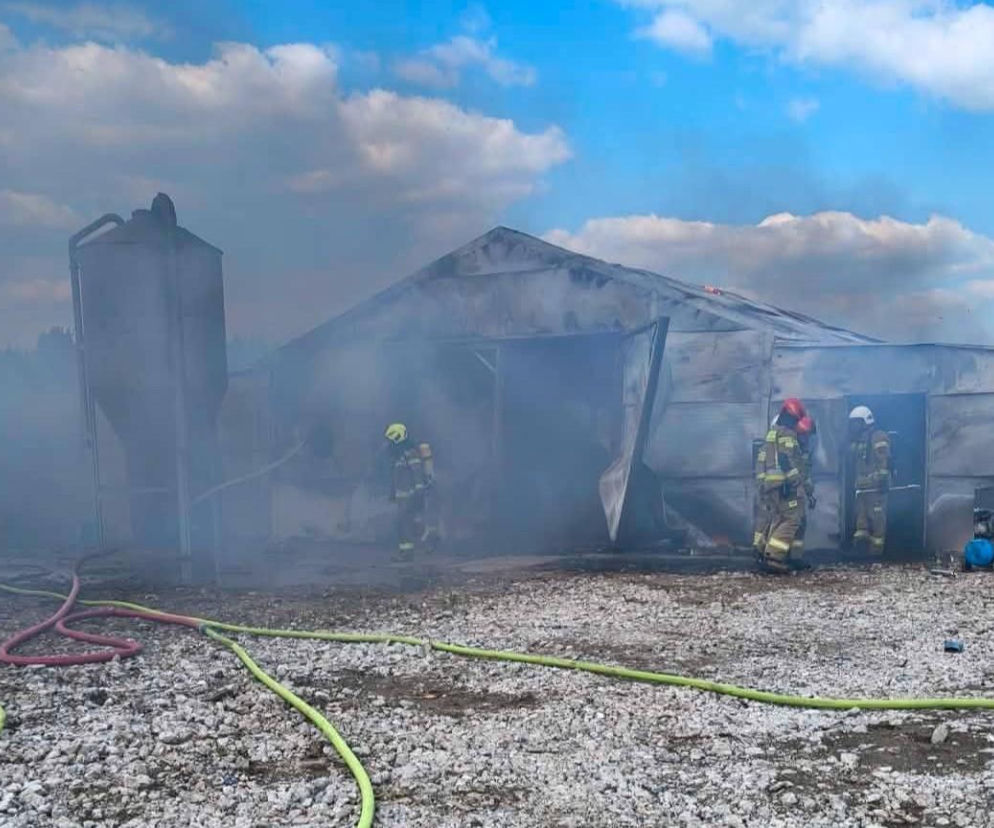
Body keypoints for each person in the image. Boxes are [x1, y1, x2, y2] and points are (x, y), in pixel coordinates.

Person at [756, 398, 808, 573]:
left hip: (772, 484)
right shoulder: (786, 434)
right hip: (783, 483)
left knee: (779, 518)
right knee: (792, 519)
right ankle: (774, 556)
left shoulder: (772, 434)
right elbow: (787, 459)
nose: (795, 424)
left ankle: (764, 551)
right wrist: (794, 481)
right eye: (795, 420)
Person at [383, 423, 436, 560]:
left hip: (411, 496)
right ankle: (408, 551)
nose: (388, 444)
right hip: (403, 498)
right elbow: (397, 477)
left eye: (390, 440)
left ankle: (422, 546)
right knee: (405, 524)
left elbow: (416, 472)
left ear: (397, 438)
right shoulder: (399, 456)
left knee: (406, 523)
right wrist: (393, 494)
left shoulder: (410, 454)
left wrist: (418, 491)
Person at [849, 406, 891, 555]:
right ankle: (860, 552)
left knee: (877, 520)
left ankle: (876, 554)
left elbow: (884, 459)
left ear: (865, 421)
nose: (854, 426)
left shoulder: (878, 437)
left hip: (875, 487)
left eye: (857, 422)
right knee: (861, 522)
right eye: (852, 423)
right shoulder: (860, 440)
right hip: (862, 488)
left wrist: (883, 479)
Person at [791, 415, 818, 564]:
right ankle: (788, 557)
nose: (806, 438)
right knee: (793, 525)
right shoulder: (791, 450)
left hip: (799, 494)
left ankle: (795, 557)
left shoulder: (804, 452)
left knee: (800, 525)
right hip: (789, 493)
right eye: (804, 435)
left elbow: (805, 476)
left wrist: (810, 494)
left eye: (808, 435)